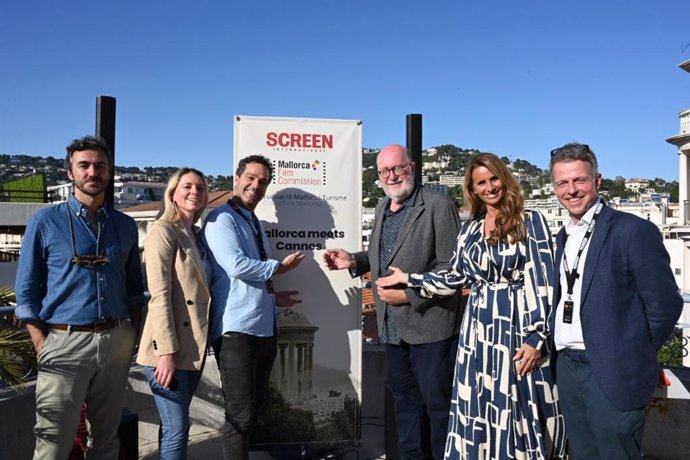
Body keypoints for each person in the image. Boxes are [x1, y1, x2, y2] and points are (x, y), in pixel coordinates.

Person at [377, 153, 566, 460]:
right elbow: (454, 276)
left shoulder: (531, 221)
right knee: (478, 407)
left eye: (494, 179)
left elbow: (544, 283)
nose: (489, 187)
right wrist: (411, 279)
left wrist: (537, 337)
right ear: (473, 189)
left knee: (515, 407)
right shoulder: (470, 231)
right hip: (478, 332)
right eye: (481, 183)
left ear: (505, 179)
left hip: (516, 328)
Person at [324, 144, 462, 460]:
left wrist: (410, 295)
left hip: (430, 329)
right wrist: (355, 261)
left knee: (437, 408)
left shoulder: (438, 206)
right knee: (406, 406)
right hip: (392, 329)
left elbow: (451, 271)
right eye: (384, 170)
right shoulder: (385, 205)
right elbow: (384, 258)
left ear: (411, 167)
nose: (391, 175)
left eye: (397, 168)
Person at [548, 143, 683, 459]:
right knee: (583, 453)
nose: (571, 190)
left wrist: (631, 352)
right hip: (567, 368)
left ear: (597, 181)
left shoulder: (633, 230)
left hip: (612, 372)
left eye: (579, 180)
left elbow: (665, 305)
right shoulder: (562, 236)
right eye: (562, 183)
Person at [14, 135, 145, 459]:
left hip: (116, 341)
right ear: (70, 173)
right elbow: (27, 292)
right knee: (53, 442)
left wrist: (134, 335)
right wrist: (42, 344)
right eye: (84, 165)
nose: (92, 172)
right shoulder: (44, 222)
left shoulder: (125, 226)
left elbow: (134, 289)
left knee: (107, 439)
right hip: (63, 341)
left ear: (109, 172)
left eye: (99, 166)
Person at [202, 154, 304, 460]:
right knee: (240, 416)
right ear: (236, 178)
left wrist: (275, 296)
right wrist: (279, 269)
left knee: (254, 411)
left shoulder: (253, 221)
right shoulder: (220, 218)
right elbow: (235, 265)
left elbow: (251, 276)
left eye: (262, 181)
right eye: (250, 178)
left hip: (263, 328)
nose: (255, 185)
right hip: (236, 332)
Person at [136, 168, 211, 459]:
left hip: (193, 347)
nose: (194, 192)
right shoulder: (162, 230)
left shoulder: (196, 235)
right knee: (178, 429)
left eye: (201, 188)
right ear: (172, 194)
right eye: (187, 186)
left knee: (173, 427)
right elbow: (159, 296)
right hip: (168, 351)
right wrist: (165, 354)